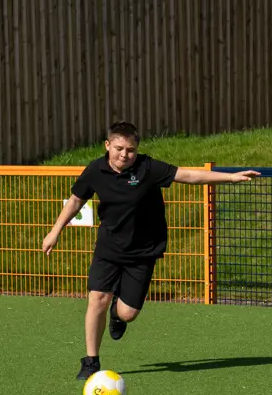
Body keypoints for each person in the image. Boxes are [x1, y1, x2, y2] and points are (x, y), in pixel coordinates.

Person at [42, 121, 260, 380]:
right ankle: (91, 361)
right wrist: (55, 231)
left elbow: (188, 176)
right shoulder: (95, 171)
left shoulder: (148, 168)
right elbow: (76, 201)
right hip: (109, 248)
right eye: (119, 148)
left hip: (143, 251)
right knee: (97, 298)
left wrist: (230, 177)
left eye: (131, 150)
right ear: (107, 146)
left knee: (128, 313)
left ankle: (117, 314)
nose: (125, 155)